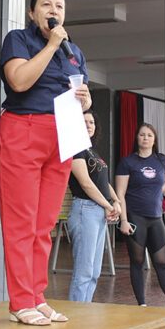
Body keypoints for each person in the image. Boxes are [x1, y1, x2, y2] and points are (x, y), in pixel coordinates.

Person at [0, 0, 92, 326]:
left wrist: (86, 101)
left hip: (62, 132)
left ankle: (37, 297)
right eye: (47, 5)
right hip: (24, 127)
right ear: (32, 12)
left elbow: (82, 95)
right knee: (21, 221)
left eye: (60, 6)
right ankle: (20, 300)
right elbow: (19, 81)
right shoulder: (18, 40)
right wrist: (51, 45)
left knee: (44, 224)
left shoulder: (74, 51)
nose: (54, 11)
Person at [115, 123, 165, 324]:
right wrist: (123, 220)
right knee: (137, 262)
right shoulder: (127, 162)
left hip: (156, 218)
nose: (145, 138)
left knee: (162, 263)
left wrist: (158, 190)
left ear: (154, 139)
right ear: (137, 138)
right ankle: (141, 305)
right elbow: (120, 194)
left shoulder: (161, 160)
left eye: (149, 135)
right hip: (135, 218)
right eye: (142, 135)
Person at [68, 110, 121, 302]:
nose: (89, 125)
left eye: (92, 122)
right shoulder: (74, 148)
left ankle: (85, 309)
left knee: (94, 271)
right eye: (84, 121)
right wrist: (108, 205)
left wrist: (116, 201)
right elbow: (86, 183)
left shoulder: (91, 151)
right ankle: (77, 314)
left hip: (98, 211)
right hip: (85, 209)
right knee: (84, 271)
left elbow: (103, 182)